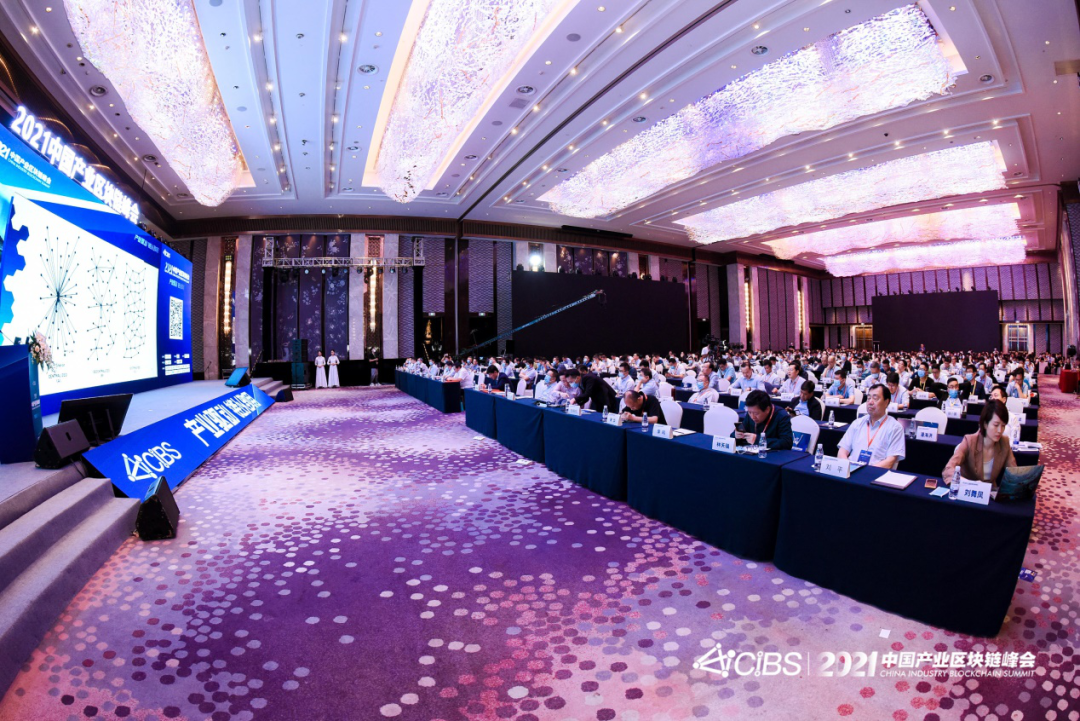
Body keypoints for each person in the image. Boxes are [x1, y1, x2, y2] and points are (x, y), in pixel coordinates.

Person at [942, 400, 1018, 490]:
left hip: (990, 493)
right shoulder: (969, 441)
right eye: (996, 425)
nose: (1000, 430)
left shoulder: (1004, 442)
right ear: (985, 424)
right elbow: (948, 469)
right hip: (968, 491)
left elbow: (1014, 473)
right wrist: (970, 484)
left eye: (1003, 426)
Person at [836, 384, 906, 469]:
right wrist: (847, 468)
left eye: (875, 398)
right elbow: (842, 451)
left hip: (875, 474)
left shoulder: (895, 428)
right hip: (851, 471)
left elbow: (890, 461)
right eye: (868, 398)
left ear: (886, 402)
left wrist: (864, 471)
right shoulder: (857, 423)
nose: (870, 402)